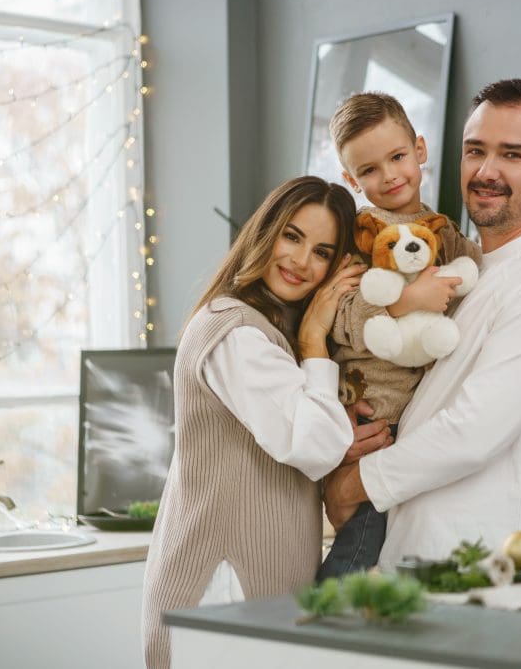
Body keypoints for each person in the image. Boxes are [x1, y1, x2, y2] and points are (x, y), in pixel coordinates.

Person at [324, 79, 521, 567]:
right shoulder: (461, 269)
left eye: (513, 155)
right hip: (413, 558)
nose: (486, 171)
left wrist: (353, 484)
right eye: (475, 150)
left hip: (487, 566)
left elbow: (472, 431)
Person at [141, 176, 375, 669]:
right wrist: (314, 340)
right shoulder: (236, 332)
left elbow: (302, 427)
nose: (300, 261)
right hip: (223, 587)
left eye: (321, 251)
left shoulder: (266, 334)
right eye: (292, 236)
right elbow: (311, 444)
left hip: (250, 588)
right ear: (265, 233)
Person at [317, 92, 482, 581]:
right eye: (368, 170)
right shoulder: (357, 237)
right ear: (350, 180)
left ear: (421, 150)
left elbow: (484, 274)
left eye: (397, 157)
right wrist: (405, 301)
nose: (389, 176)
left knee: (398, 541)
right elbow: (339, 317)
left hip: (415, 423)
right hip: (371, 409)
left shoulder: (446, 234)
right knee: (361, 543)